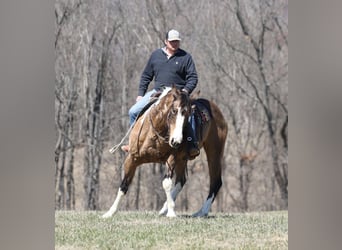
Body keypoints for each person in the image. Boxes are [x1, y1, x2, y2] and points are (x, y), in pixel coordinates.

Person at [121, 29, 200, 158]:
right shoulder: (156, 55)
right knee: (133, 111)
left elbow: (193, 77)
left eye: (177, 41)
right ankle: (133, 143)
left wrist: (185, 92)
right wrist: (141, 94)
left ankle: (192, 144)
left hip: (178, 94)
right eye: (172, 41)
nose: (175, 44)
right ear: (166, 41)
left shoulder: (186, 57)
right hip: (158, 92)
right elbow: (146, 76)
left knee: (186, 114)